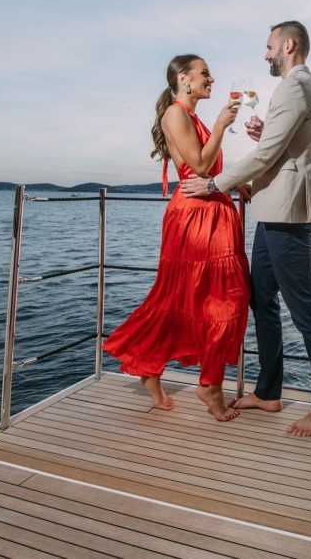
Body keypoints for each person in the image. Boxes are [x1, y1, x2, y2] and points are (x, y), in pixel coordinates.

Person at [180, 21, 311, 437]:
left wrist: (215, 183)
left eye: (269, 47)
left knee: (305, 310)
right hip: (273, 212)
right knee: (261, 300)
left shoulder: (295, 85)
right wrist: (262, 133)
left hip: (287, 214)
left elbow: (271, 153)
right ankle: (269, 392)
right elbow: (280, 146)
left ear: (288, 45)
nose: (265, 54)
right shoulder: (296, 87)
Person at [104, 54, 250, 421]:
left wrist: (236, 184)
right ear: (183, 79)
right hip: (195, 219)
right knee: (222, 301)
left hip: (212, 210)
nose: (211, 79)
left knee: (195, 300)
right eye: (205, 73)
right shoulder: (176, 114)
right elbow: (199, 166)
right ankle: (210, 386)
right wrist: (219, 126)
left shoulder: (192, 116)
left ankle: (150, 368)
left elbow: (209, 170)